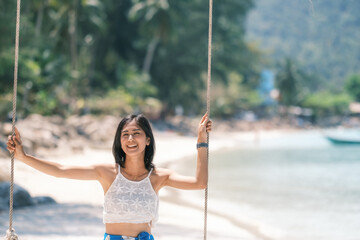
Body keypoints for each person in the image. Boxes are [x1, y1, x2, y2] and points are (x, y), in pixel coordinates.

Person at [6, 112, 212, 240]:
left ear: (148, 140)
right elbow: (60, 170)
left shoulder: (159, 176)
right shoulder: (107, 172)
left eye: (136, 133)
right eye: (125, 134)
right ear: (119, 141)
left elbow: (199, 183)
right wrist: (23, 157)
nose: (130, 138)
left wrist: (201, 142)